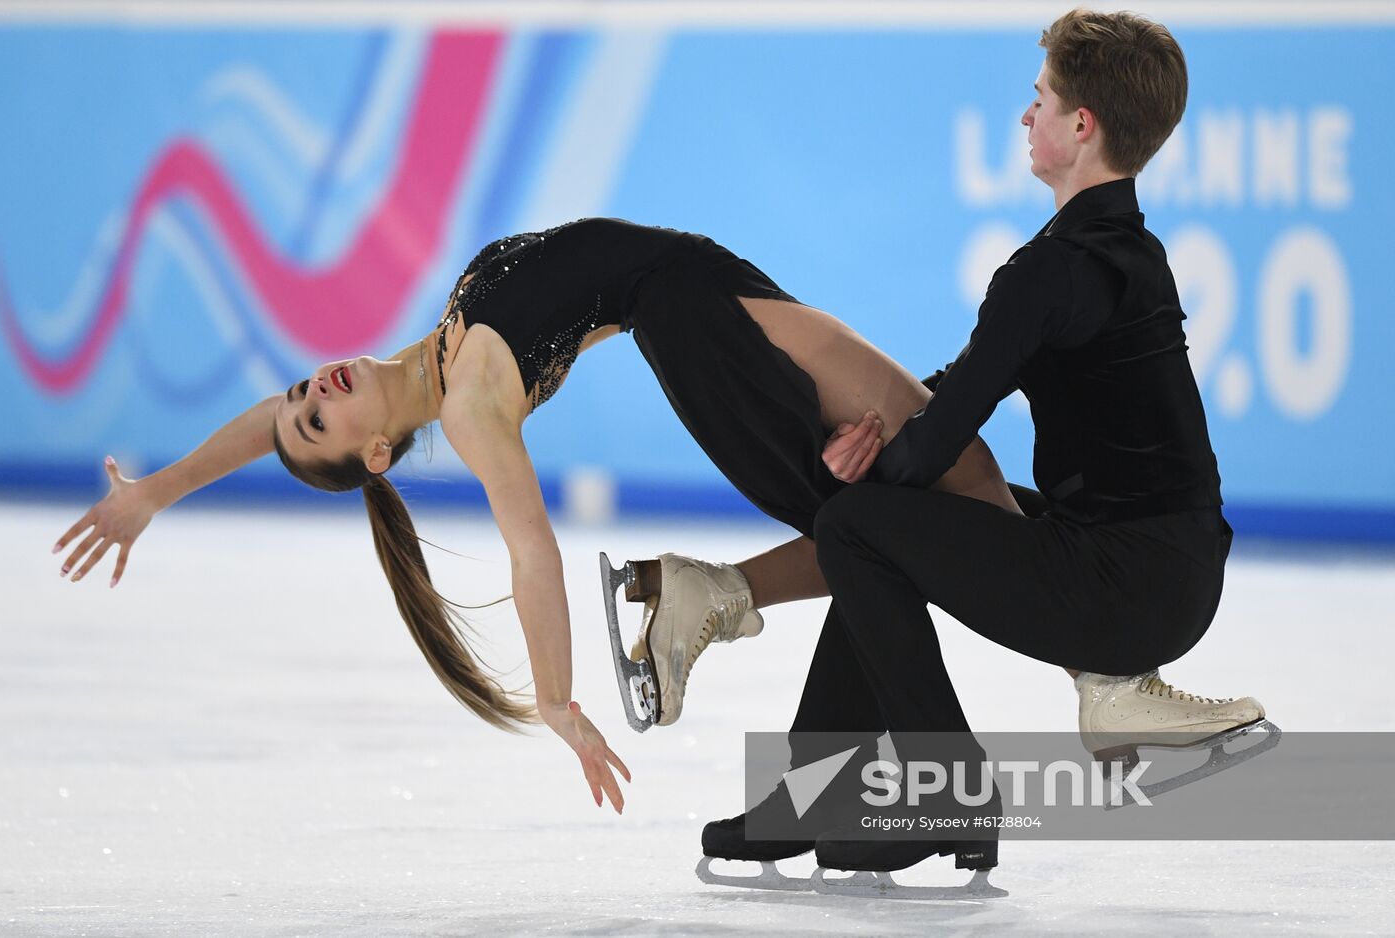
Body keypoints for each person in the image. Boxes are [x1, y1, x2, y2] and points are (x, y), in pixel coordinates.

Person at [52, 217, 1023, 814]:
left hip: (701, 284)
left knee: (919, 499)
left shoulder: (431, 349)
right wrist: (554, 702)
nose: (311, 390)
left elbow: (268, 422)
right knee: (936, 500)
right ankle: (1096, 668)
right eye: (320, 416)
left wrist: (153, 490)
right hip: (694, 321)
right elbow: (531, 549)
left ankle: (775, 691)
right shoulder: (469, 404)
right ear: (374, 454)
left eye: (303, 390)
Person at [696, 9, 1268, 886]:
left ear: (1083, 126)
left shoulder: (1051, 271)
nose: (1025, 117)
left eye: (1039, 100)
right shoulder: (1126, 252)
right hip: (1173, 571)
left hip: (1122, 586)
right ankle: (807, 798)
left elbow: (933, 445)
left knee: (860, 522)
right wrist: (887, 433)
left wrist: (863, 456)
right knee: (889, 519)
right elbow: (952, 395)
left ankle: (953, 788)